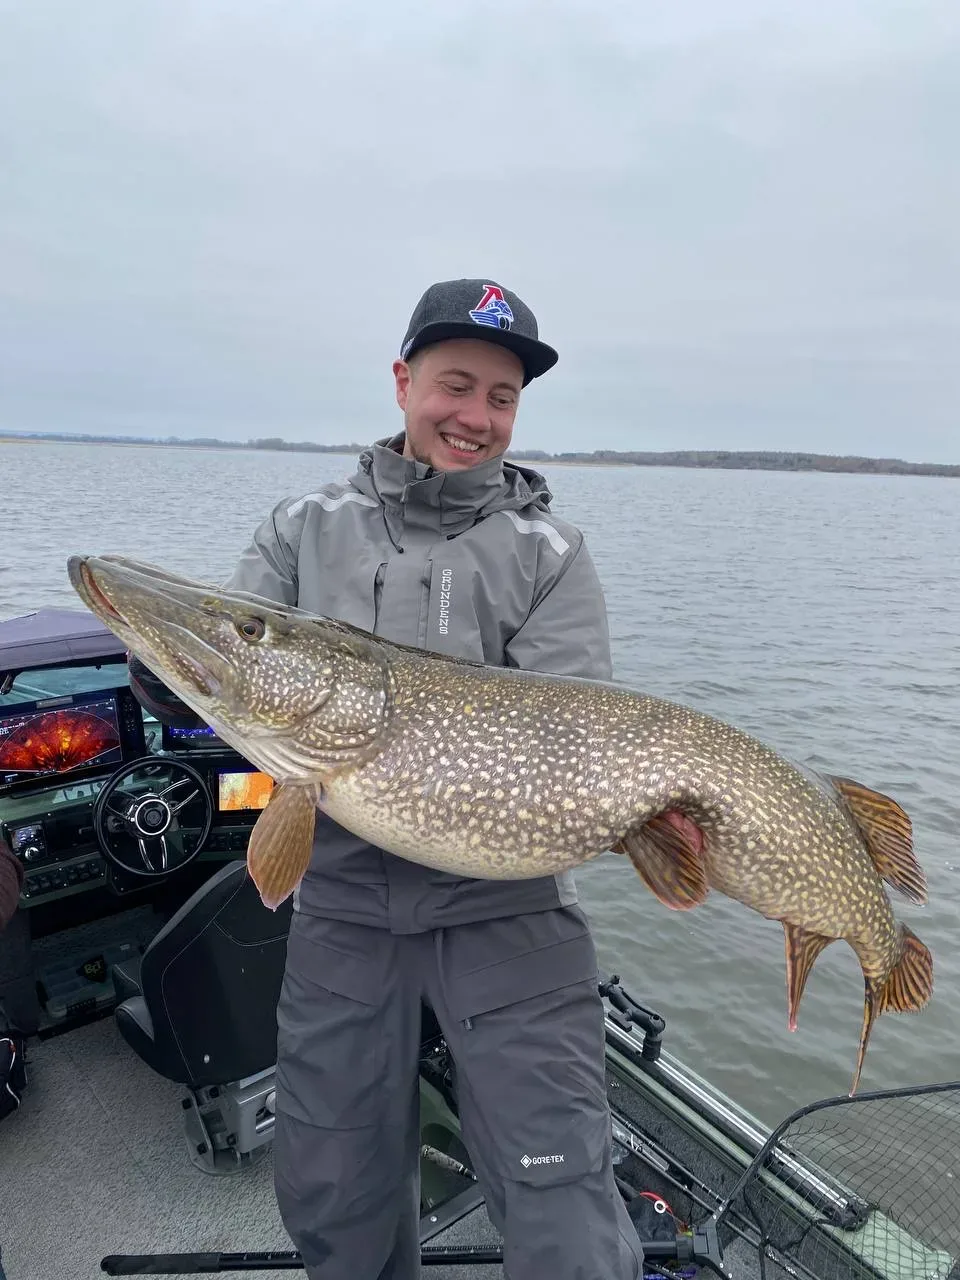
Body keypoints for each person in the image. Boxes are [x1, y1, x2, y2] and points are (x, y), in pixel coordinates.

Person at [129, 278, 645, 1279]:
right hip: (343, 907)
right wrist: (166, 667)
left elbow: (570, 735)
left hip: (509, 915)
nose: (477, 415)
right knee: (337, 1192)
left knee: (564, 1207)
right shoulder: (302, 525)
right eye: (457, 385)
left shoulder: (550, 552)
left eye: (502, 397)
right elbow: (237, 659)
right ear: (404, 381)